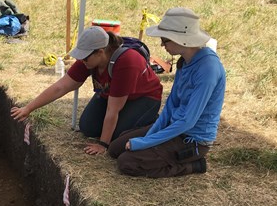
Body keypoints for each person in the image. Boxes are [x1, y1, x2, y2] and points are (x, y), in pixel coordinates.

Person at [108, 7, 226, 178]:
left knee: (127, 163)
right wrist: (149, 137)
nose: (162, 44)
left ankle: (193, 165)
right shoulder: (184, 61)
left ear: (181, 39)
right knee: (115, 149)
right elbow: (171, 105)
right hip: (174, 127)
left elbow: (188, 121)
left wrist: (145, 142)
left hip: (192, 139)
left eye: (165, 39)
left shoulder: (208, 69)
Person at [11, 26, 163, 155]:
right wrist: (28, 108)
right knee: (88, 127)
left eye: (85, 58)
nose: (82, 61)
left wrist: (103, 145)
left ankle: (151, 122)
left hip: (144, 98)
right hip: (113, 96)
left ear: (100, 52)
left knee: (116, 137)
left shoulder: (127, 61)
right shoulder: (89, 60)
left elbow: (113, 109)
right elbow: (61, 87)